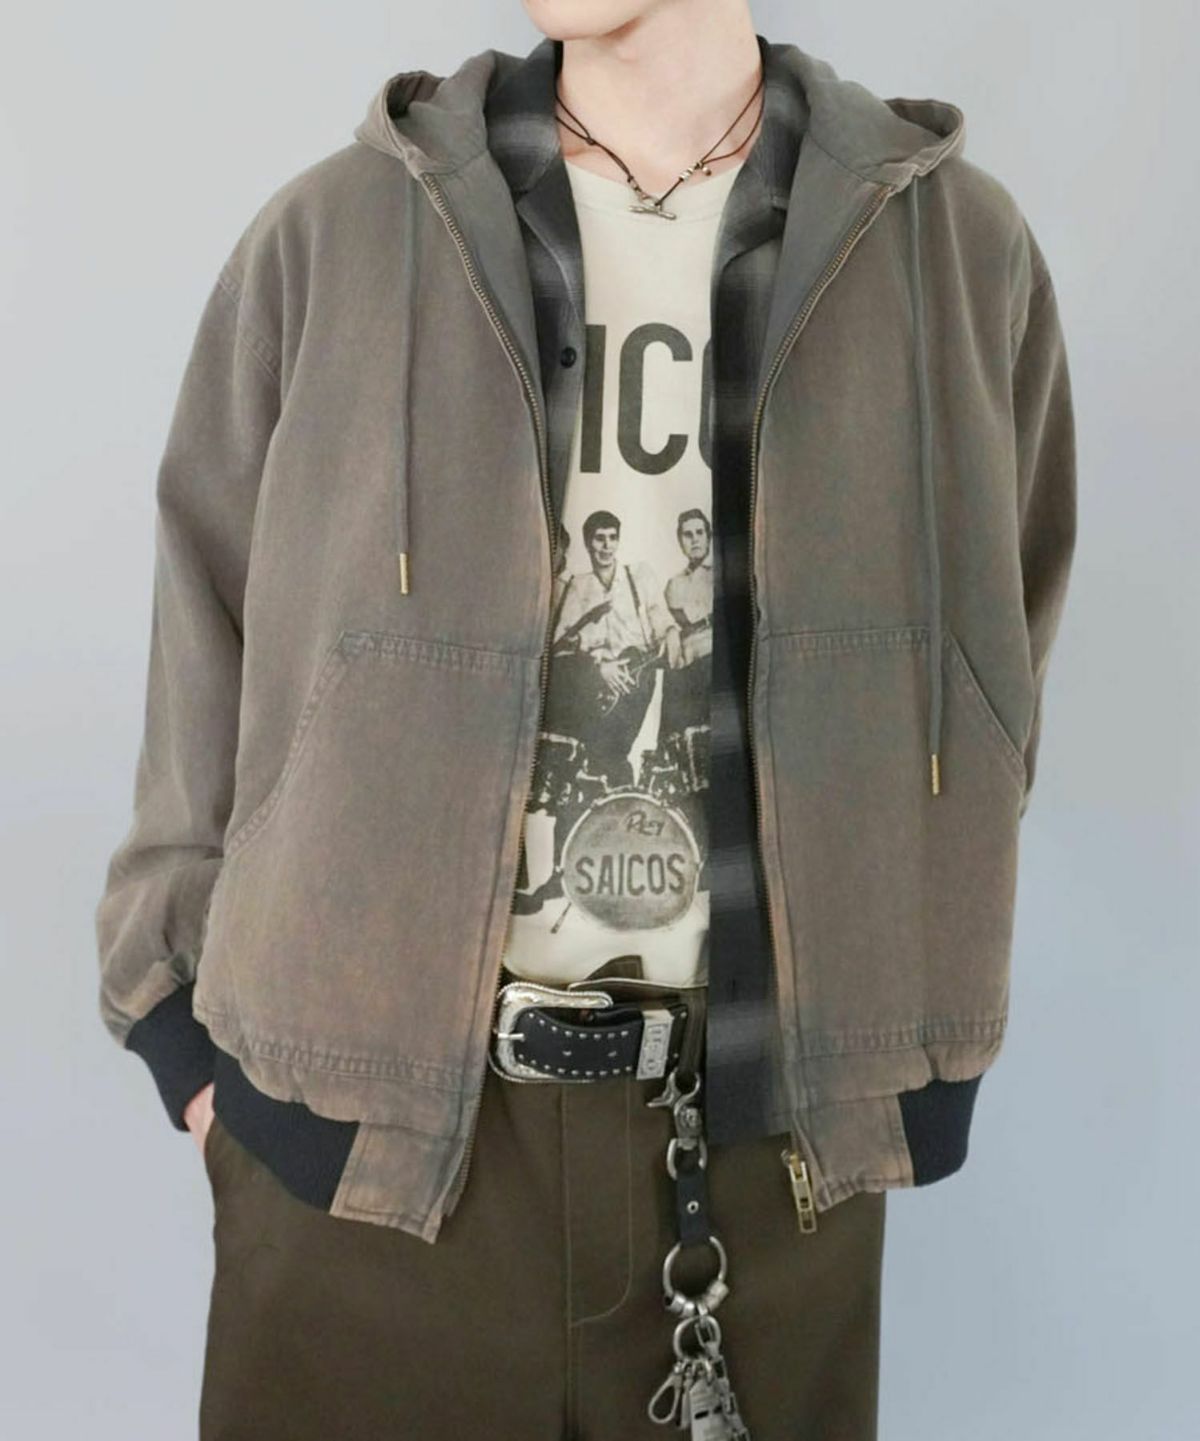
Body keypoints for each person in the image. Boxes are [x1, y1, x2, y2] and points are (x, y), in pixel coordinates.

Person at [93, 1, 1077, 1436]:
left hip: (770, 1164)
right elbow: (208, 621)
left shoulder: (955, 250)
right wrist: (177, 1026)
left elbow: (997, 653)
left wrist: (900, 1027)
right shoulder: (338, 233)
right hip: (364, 1165)